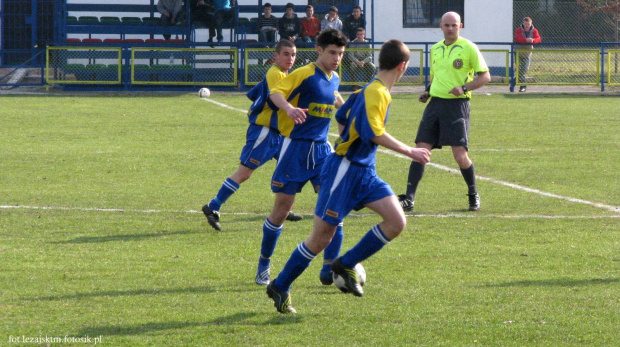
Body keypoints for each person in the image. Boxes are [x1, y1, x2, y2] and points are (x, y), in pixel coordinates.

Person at [266, 39, 432, 314]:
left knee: (396, 221)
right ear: (403, 66)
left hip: (364, 170)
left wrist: (350, 134)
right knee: (321, 238)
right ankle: (280, 285)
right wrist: (409, 151)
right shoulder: (376, 92)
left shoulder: (367, 90)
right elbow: (374, 133)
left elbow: (342, 114)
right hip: (344, 169)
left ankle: (344, 263)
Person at [255, 29, 348, 287]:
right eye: (332, 52)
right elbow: (275, 93)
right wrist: (289, 108)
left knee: (333, 210)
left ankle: (329, 268)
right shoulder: (304, 73)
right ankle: (264, 263)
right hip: (294, 149)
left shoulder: (334, 77)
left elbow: (336, 98)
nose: (336, 58)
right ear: (319, 50)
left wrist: (350, 111)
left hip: (322, 152)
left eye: (340, 54)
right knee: (282, 210)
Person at [202, 40, 303, 232]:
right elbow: (277, 97)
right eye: (286, 54)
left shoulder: (281, 74)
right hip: (264, 131)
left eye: (293, 55)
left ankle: (283, 208)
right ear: (276, 56)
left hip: (278, 133)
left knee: (289, 167)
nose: (290, 58)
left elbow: (254, 93)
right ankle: (213, 206)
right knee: (244, 173)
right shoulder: (275, 73)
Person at [399, 11, 490, 213]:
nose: (450, 28)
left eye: (454, 25)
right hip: (435, 105)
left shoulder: (469, 48)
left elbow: (485, 77)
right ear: (441, 26)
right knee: (420, 150)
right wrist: (428, 92)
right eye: (447, 25)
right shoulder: (436, 49)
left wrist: (464, 88)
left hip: (457, 106)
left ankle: (473, 194)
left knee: (459, 154)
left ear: (460, 26)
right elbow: (438, 77)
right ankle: (409, 199)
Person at [514, 17, 541, 92]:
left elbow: (538, 39)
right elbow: (517, 38)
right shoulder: (518, 30)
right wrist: (526, 40)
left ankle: (514, 80)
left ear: (531, 24)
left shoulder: (534, 31)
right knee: (519, 69)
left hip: (527, 54)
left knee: (525, 69)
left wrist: (533, 40)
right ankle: (523, 86)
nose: (526, 25)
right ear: (523, 23)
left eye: (528, 24)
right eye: (525, 24)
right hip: (518, 53)